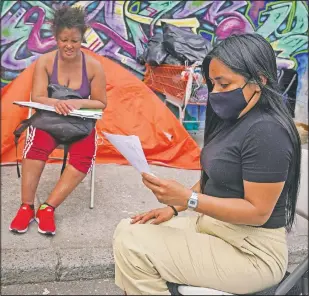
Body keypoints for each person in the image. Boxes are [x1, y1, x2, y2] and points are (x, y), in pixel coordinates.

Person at [113, 33, 301, 295]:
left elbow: (258, 212)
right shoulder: (234, 118)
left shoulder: (267, 132)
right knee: (129, 228)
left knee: (134, 245)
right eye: (212, 84)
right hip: (216, 228)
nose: (215, 93)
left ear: (259, 81)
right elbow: (213, 177)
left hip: (251, 253)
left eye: (224, 84)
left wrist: (189, 199)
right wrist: (175, 207)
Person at [9, 6, 107, 236]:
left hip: (79, 123)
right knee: (34, 148)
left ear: (82, 38)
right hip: (50, 120)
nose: (69, 45)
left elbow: (101, 102)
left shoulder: (94, 66)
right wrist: (57, 104)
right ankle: (26, 207)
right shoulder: (45, 62)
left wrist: (76, 104)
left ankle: (48, 207)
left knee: (84, 156)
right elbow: (38, 97)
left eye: (74, 40)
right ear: (56, 38)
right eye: (64, 40)